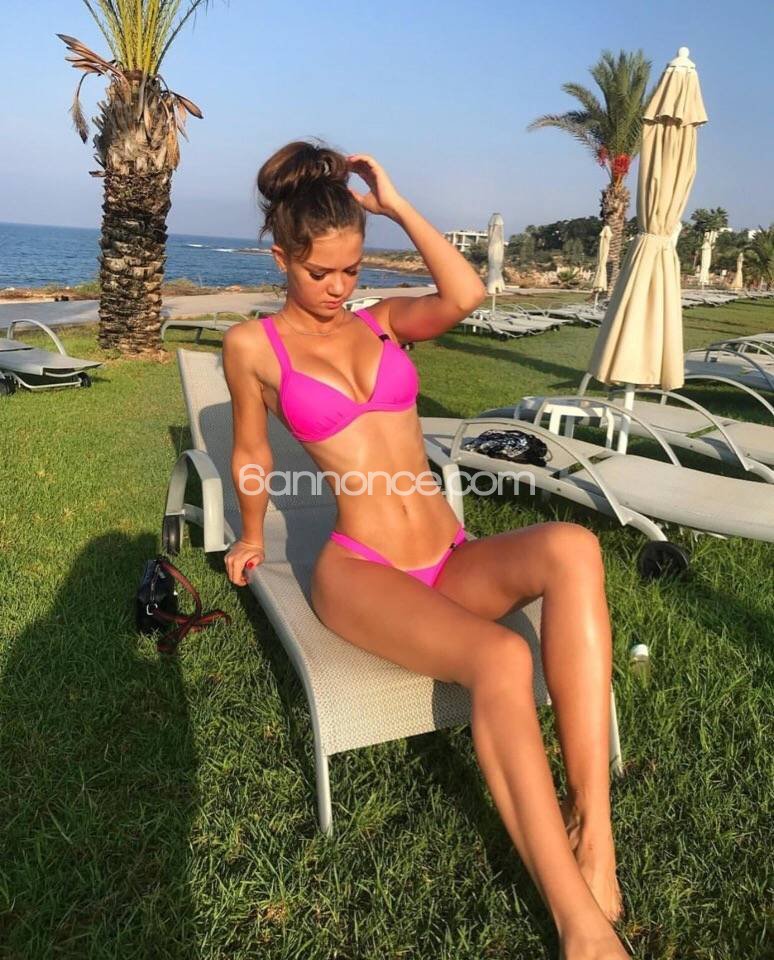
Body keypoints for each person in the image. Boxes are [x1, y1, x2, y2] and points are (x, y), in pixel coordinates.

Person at [222, 139, 629, 960]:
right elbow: (252, 452)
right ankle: (580, 928)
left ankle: (594, 831)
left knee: (574, 547)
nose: (339, 288)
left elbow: (466, 292)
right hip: (361, 571)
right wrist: (253, 534)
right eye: (320, 272)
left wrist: (398, 205)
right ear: (281, 258)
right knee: (501, 658)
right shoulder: (253, 348)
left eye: (353, 269)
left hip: (449, 553)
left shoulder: (384, 324)